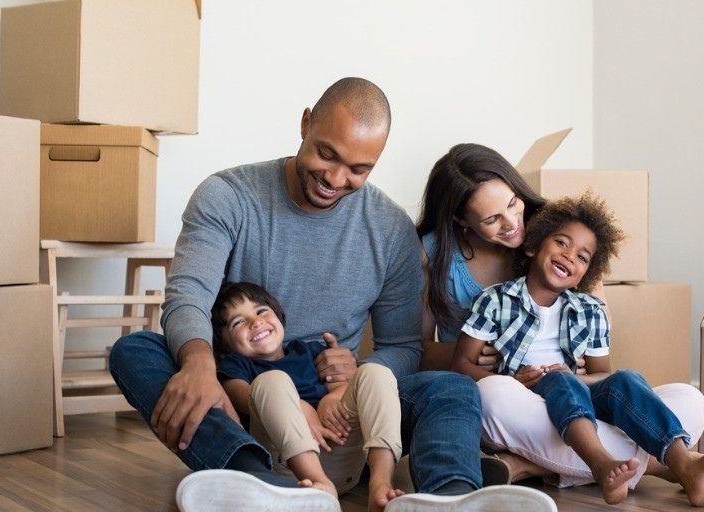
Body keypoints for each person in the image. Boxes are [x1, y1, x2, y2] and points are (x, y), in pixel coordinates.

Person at [108, 77, 555, 512]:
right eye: (327, 154)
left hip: (342, 413)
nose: (336, 178)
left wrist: (353, 377)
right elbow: (189, 292)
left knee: (451, 388)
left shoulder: (391, 229)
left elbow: (402, 346)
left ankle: (448, 498)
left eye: (359, 170)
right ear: (306, 124)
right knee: (136, 351)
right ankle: (255, 477)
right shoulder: (227, 196)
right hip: (240, 393)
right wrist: (199, 363)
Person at [416, 143, 704, 498]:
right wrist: (490, 362)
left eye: (513, 203)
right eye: (492, 219)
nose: (514, 224)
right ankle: (667, 467)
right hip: (508, 398)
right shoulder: (455, 269)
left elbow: (601, 366)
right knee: (495, 394)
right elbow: (419, 352)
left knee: (689, 399)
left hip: (577, 396)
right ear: (461, 220)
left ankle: (525, 465)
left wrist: (582, 379)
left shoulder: (561, 234)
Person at [211, 281, 404, 510]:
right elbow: (241, 396)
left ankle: (381, 484)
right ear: (225, 344)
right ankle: (319, 484)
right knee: (272, 381)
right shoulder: (236, 365)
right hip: (291, 467)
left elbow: (340, 383)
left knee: (375, 372)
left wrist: (331, 398)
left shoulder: (308, 350)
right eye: (238, 322)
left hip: (340, 448)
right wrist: (300, 407)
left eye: (261, 310)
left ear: (279, 316)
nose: (256, 322)